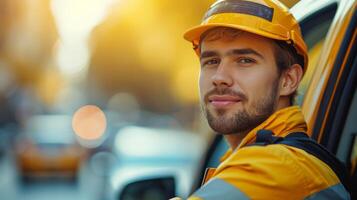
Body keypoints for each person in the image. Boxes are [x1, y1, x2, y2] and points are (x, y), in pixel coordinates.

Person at [176, 0, 351, 199]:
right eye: (212, 61)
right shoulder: (268, 160)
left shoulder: (278, 166)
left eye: (245, 60)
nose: (219, 77)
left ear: (288, 80)